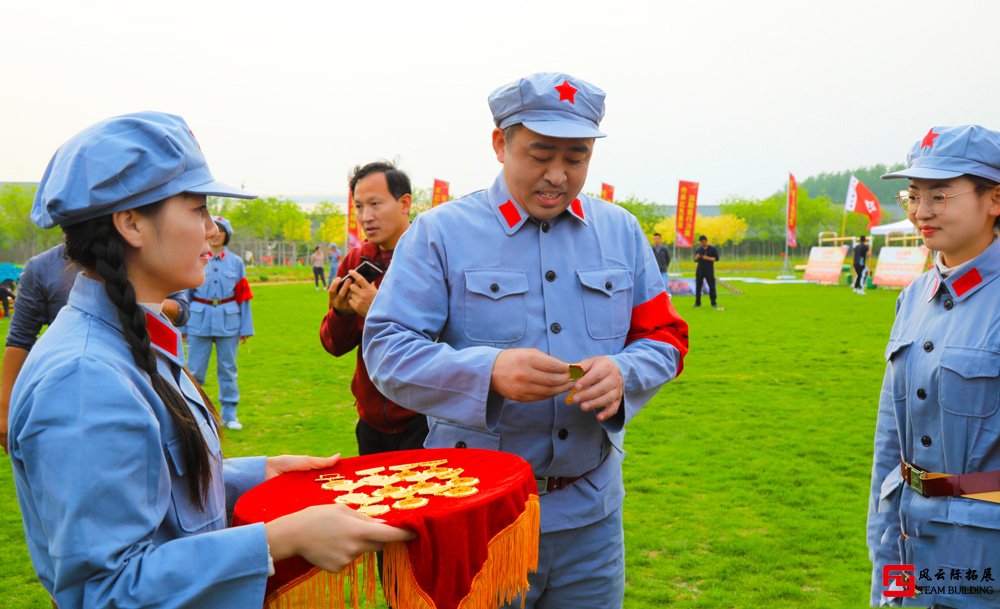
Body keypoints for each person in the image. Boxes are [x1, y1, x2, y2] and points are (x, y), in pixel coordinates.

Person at [9, 112, 411, 609]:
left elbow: (158, 488)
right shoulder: (84, 377)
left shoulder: (132, 337)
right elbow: (104, 591)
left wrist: (260, 472)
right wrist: (278, 540)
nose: (211, 229)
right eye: (197, 210)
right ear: (131, 223)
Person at [362, 72, 689, 608]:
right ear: (500, 144)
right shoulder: (439, 233)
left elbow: (666, 336)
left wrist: (624, 373)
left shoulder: (622, 231)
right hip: (476, 516)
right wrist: (486, 371)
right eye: (540, 155)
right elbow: (387, 349)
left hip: (592, 514)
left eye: (576, 158)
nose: (558, 176)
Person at [867, 125, 1000, 608]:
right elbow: (890, 442)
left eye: (940, 195)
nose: (921, 212)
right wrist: (882, 566)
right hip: (904, 542)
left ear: (995, 200)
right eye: (914, 196)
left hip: (983, 563)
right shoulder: (912, 298)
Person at [1, 243, 190, 453]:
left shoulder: (142, 255)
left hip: (149, 378)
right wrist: (4, 407)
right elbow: (20, 339)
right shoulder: (41, 267)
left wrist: (145, 303)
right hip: (75, 391)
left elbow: (181, 310)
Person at [320, 161, 427, 455]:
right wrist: (341, 313)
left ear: (405, 203)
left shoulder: (432, 256)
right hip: (370, 418)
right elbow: (333, 344)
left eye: (376, 204)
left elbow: (445, 338)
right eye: (358, 206)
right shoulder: (355, 262)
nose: (366, 217)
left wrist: (376, 309)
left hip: (425, 418)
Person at [184, 215, 253, 430]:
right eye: (212, 230)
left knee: (228, 370)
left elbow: (243, 296)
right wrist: (182, 325)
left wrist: (245, 328)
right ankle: (192, 414)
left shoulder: (236, 263)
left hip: (229, 321)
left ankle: (229, 415)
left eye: (220, 231)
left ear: (226, 236)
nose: (215, 235)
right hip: (199, 320)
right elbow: (185, 295)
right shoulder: (193, 259)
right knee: (194, 372)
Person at [693, 235, 720, 309]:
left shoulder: (712, 249)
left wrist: (706, 257)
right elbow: (695, 260)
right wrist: (697, 257)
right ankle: (697, 303)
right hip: (700, 270)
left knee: (712, 287)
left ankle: (713, 302)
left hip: (709, 271)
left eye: (704, 242)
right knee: (698, 287)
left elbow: (716, 259)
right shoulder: (698, 250)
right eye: (701, 242)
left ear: (706, 241)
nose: (703, 243)